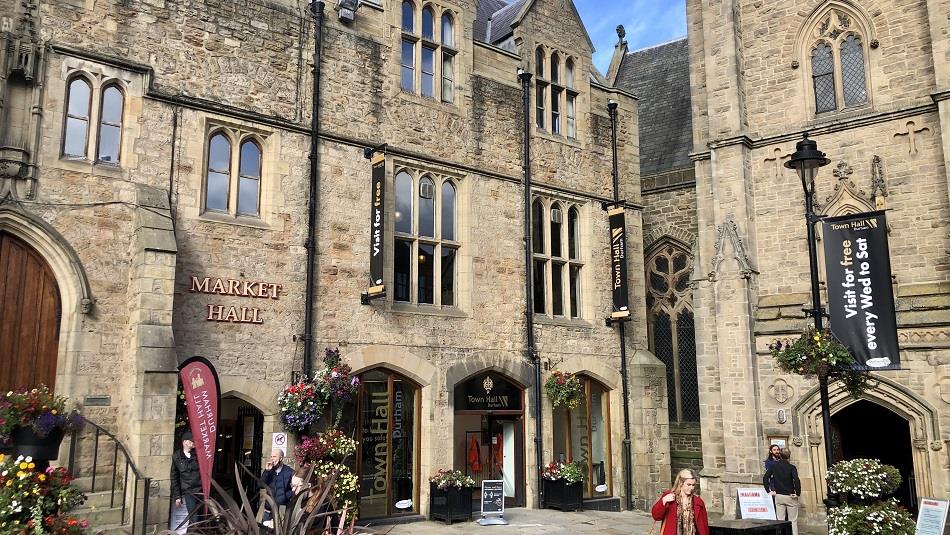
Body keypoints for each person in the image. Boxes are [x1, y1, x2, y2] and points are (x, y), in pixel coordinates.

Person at [651, 468, 710, 535]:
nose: (692, 488)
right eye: (689, 484)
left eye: (693, 485)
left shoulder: (698, 502)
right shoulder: (669, 496)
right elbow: (656, 516)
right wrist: (663, 501)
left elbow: (704, 526)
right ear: (681, 483)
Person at [764, 448, 801, 535]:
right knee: (793, 521)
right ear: (789, 456)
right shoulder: (792, 467)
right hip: (790, 496)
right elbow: (796, 480)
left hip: (779, 496)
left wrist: (768, 491)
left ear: (780, 455)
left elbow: (765, 477)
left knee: (780, 521)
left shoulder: (774, 466)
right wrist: (797, 493)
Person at [170, 431, 201, 531]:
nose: (193, 443)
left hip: (201, 490)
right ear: (184, 442)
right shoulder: (177, 456)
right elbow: (174, 477)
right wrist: (177, 496)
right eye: (191, 441)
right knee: (194, 518)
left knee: (201, 517)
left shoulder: (198, 454)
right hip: (189, 492)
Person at [261, 449, 294, 522]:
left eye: (274, 456)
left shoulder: (289, 471)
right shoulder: (269, 470)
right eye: (271, 456)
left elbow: (294, 489)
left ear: (281, 458)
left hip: (282, 511)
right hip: (269, 510)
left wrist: (285, 497)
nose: (272, 459)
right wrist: (266, 471)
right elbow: (261, 485)